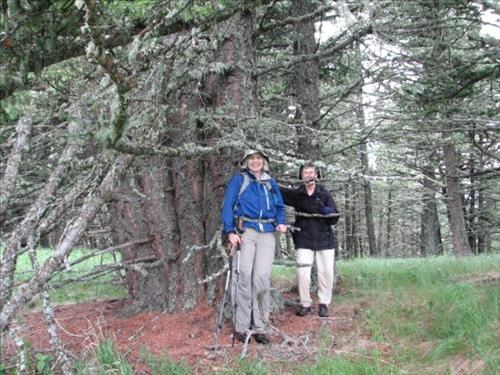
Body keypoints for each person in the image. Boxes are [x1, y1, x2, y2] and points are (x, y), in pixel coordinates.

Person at [221, 150, 287, 344]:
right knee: (243, 277)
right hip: (245, 232)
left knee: (261, 278)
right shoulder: (239, 180)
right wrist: (230, 231)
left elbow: (280, 207)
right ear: (246, 162)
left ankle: (260, 326)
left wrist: (281, 222)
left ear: (264, 162)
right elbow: (227, 206)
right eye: (252, 159)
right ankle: (241, 326)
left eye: (259, 159)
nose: (255, 162)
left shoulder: (270, 182)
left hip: (267, 232)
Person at [279, 164, 339, 317]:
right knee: (302, 272)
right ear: (301, 175)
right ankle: (305, 303)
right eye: (305, 172)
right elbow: (279, 192)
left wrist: (328, 212)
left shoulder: (324, 193)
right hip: (304, 238)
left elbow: (334, 218)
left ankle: (324, 303)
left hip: (324, 238)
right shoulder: (297, 194)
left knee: (326, 272)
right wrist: (267, 181)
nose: (308, 174)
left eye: (311, 172)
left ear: (316, 175)